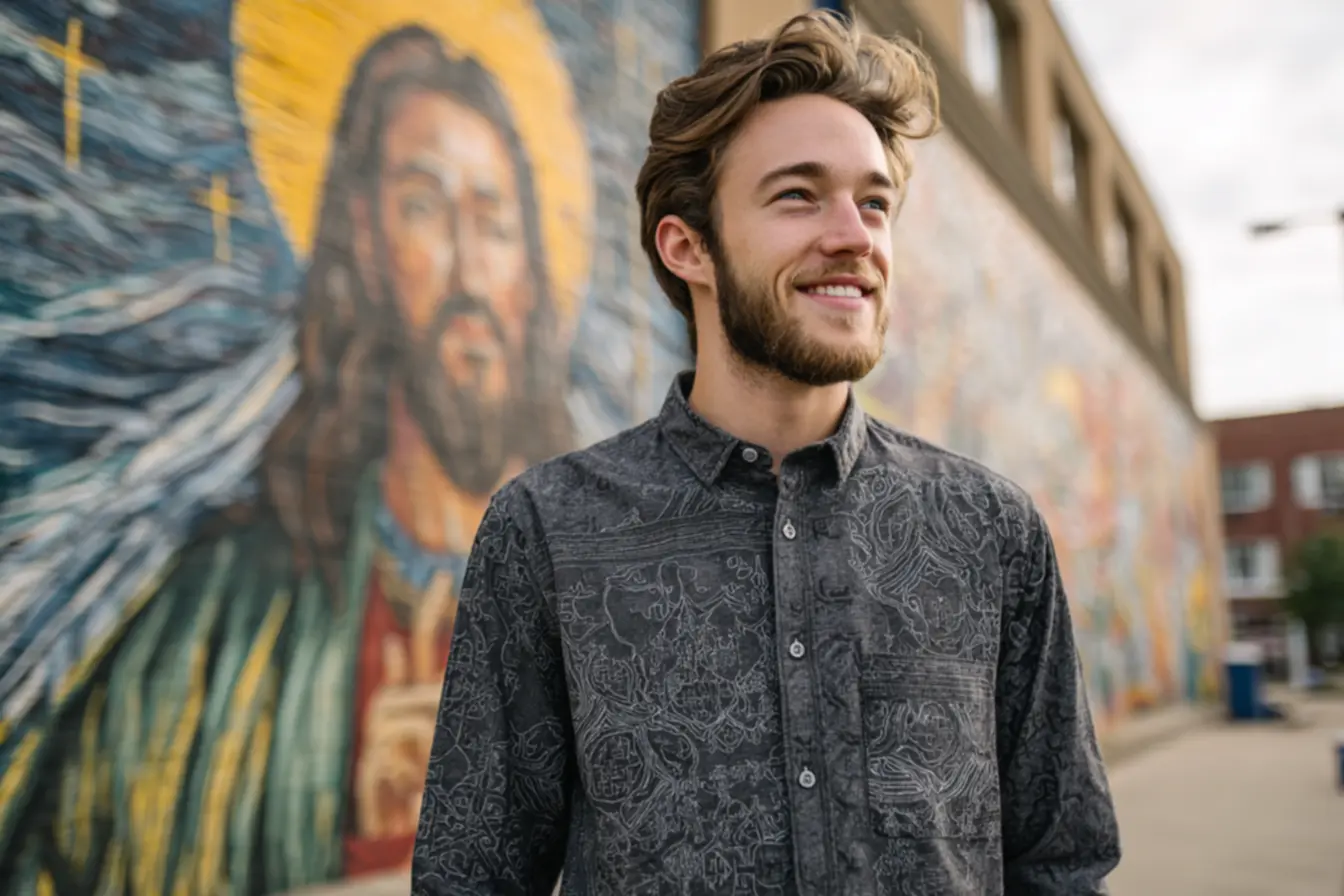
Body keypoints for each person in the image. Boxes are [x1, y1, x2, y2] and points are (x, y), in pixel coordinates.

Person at [411, 10, 1120, 896]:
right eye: (798, 195)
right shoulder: (546, 532)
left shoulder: (991, 531)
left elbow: (1062, 863)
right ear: (689, 246)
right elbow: (470, 876)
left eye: (874, 202)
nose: (855, 235)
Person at [3, 25, 572, 893]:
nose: (468, 269)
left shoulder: (596, 593)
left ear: (531, 272)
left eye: (494, 221)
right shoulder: (225, 619)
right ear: (366, 248)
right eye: (424, 208)